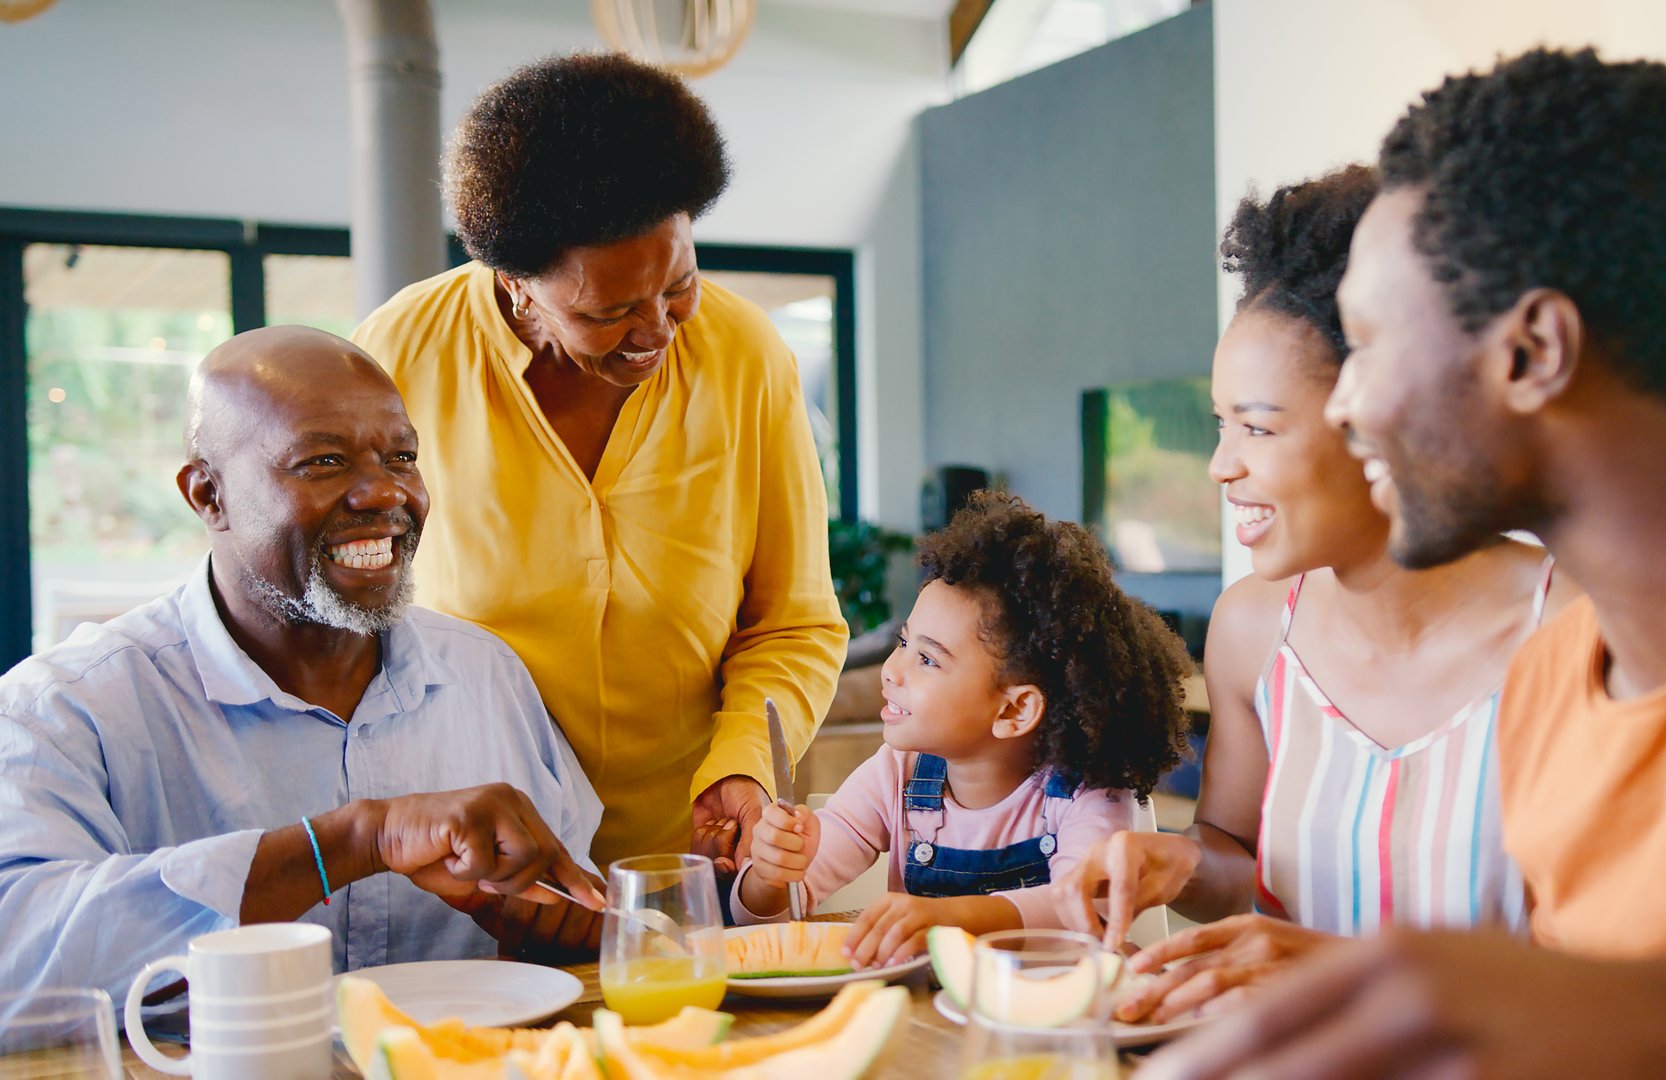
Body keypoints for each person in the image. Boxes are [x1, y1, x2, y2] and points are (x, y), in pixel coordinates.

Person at [1143, 46, 1666, 1078]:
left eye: (1369, 345)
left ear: (1532, 352)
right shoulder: (1554, 687)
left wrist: (1613, 1012)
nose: (1351, 406)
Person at [1052, 167, 1569, 1025]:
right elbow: (1236, 855)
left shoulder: (1573, 629)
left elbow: (1625, 974)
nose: (1222, 465)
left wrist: (1333, 969)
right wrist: (1173, 864)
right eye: (1220, 425)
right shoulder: (1253, 632)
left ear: (1388, 413)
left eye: (1257, 427)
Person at [0, 327, 605, 1008]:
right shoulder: (65, 709)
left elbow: (578, 899)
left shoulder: (486, 676)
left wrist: (562, 926)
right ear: (208, 496)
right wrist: (352, 841)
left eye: (401, 456)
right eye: (323, 462)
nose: (383, 494)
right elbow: (16, 950)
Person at [353, 53, 848, 870]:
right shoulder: (396, 357)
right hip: (480, 865)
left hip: (689, 860)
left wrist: (745, 767)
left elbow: (793, 621)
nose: (657, 330)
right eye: (610, 311)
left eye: (678, 285)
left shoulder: (746, 354)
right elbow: (350, 622)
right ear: (516, 284)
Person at [736, 492, 1192, 969]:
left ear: (1014, 710)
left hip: (1045, 1025)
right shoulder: (897, 774)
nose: (891, 670)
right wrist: (771, 874)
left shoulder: (1085, 793)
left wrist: (945, 918)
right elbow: (774, 912)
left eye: (928, 659)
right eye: (905, 642)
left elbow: (1077, 910)